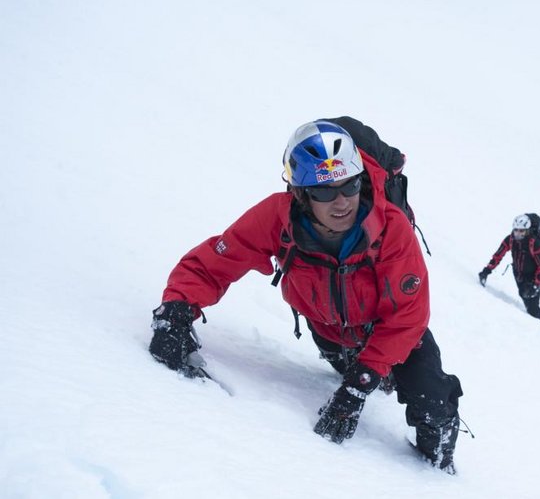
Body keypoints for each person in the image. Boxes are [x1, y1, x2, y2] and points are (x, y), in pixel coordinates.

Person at [148, 118, 463, 474]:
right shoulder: (277, 218)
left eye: (349, 185)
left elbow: (408, 316)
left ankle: (439, 470)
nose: (341, 201)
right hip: (329, 333)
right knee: (357, 373)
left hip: (394, 333)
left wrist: (360, 385)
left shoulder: (391, 228)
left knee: (430, 400)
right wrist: (176, 309)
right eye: (324, 192)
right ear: (301, 194)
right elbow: (215, 261)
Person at [478, 214, 540, 320]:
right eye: (516, 230)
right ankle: (531, 322)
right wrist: (487, 270)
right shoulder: (510, 240)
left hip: (532, 276)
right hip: (518, 273)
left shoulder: (535, 244)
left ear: (527, 230)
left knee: (533, 306)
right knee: (523, 295)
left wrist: (536, 285)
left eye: (521, 231)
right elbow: (498, 255)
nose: (518, 234)